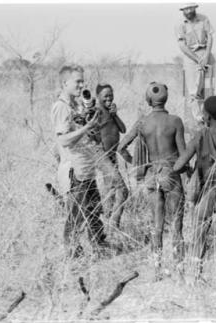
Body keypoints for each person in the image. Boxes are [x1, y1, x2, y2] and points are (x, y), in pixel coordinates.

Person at [118, 82, 187, 280]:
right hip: (170, 173)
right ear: (166, 98)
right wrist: (187, 170)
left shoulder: (142, 122)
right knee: (176, 225)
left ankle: (157, 271)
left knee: (156, 225)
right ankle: (180, 271)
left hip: (151, 175)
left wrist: (137, 164)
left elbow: (121, 147)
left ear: (149, 100)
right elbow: (182, 155)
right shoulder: (175, 121)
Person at [173, 96, 216, 288]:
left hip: (206, 193)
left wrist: (191, 171)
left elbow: (178, 165)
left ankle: (193, 283)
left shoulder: (200, 136)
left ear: (208, 117)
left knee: (197, 239)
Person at [50, 65, 108, 257]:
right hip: (73, 170)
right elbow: (63, 139)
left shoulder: (76, 105)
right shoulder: (61, 107)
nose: (82, 84)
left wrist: (92, 124)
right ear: (64, 83)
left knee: (93, 212)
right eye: (77, 81)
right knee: (75, 217)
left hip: (86, 168)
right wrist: (86, 128)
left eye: (82, 81)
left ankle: (97, 250)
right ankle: (73, 256)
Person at [94, 84, 132, 230]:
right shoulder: (96, 112)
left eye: (111, 95)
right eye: (105, 96)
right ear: (98, 97)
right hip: (103, 157)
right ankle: (113, 224)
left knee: (110, 190)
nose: (109, 98)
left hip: (111, 156)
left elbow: (123, 129)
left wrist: (115, 114)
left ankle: (108, 224)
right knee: (123, 189)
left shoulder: (110, 112)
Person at [176, 2, 215, 123]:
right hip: (191, 56)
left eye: (190, 9)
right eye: (185, 10)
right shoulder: (180, 24)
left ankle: (213, 115)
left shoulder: (204, 19)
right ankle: (199, 120)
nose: (188, 12)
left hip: (205, 52)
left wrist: (206, 56)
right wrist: (198, 59)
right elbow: (182, 46)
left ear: (194, 8)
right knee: (194, 91)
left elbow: (210, 38)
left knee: (213, 84)